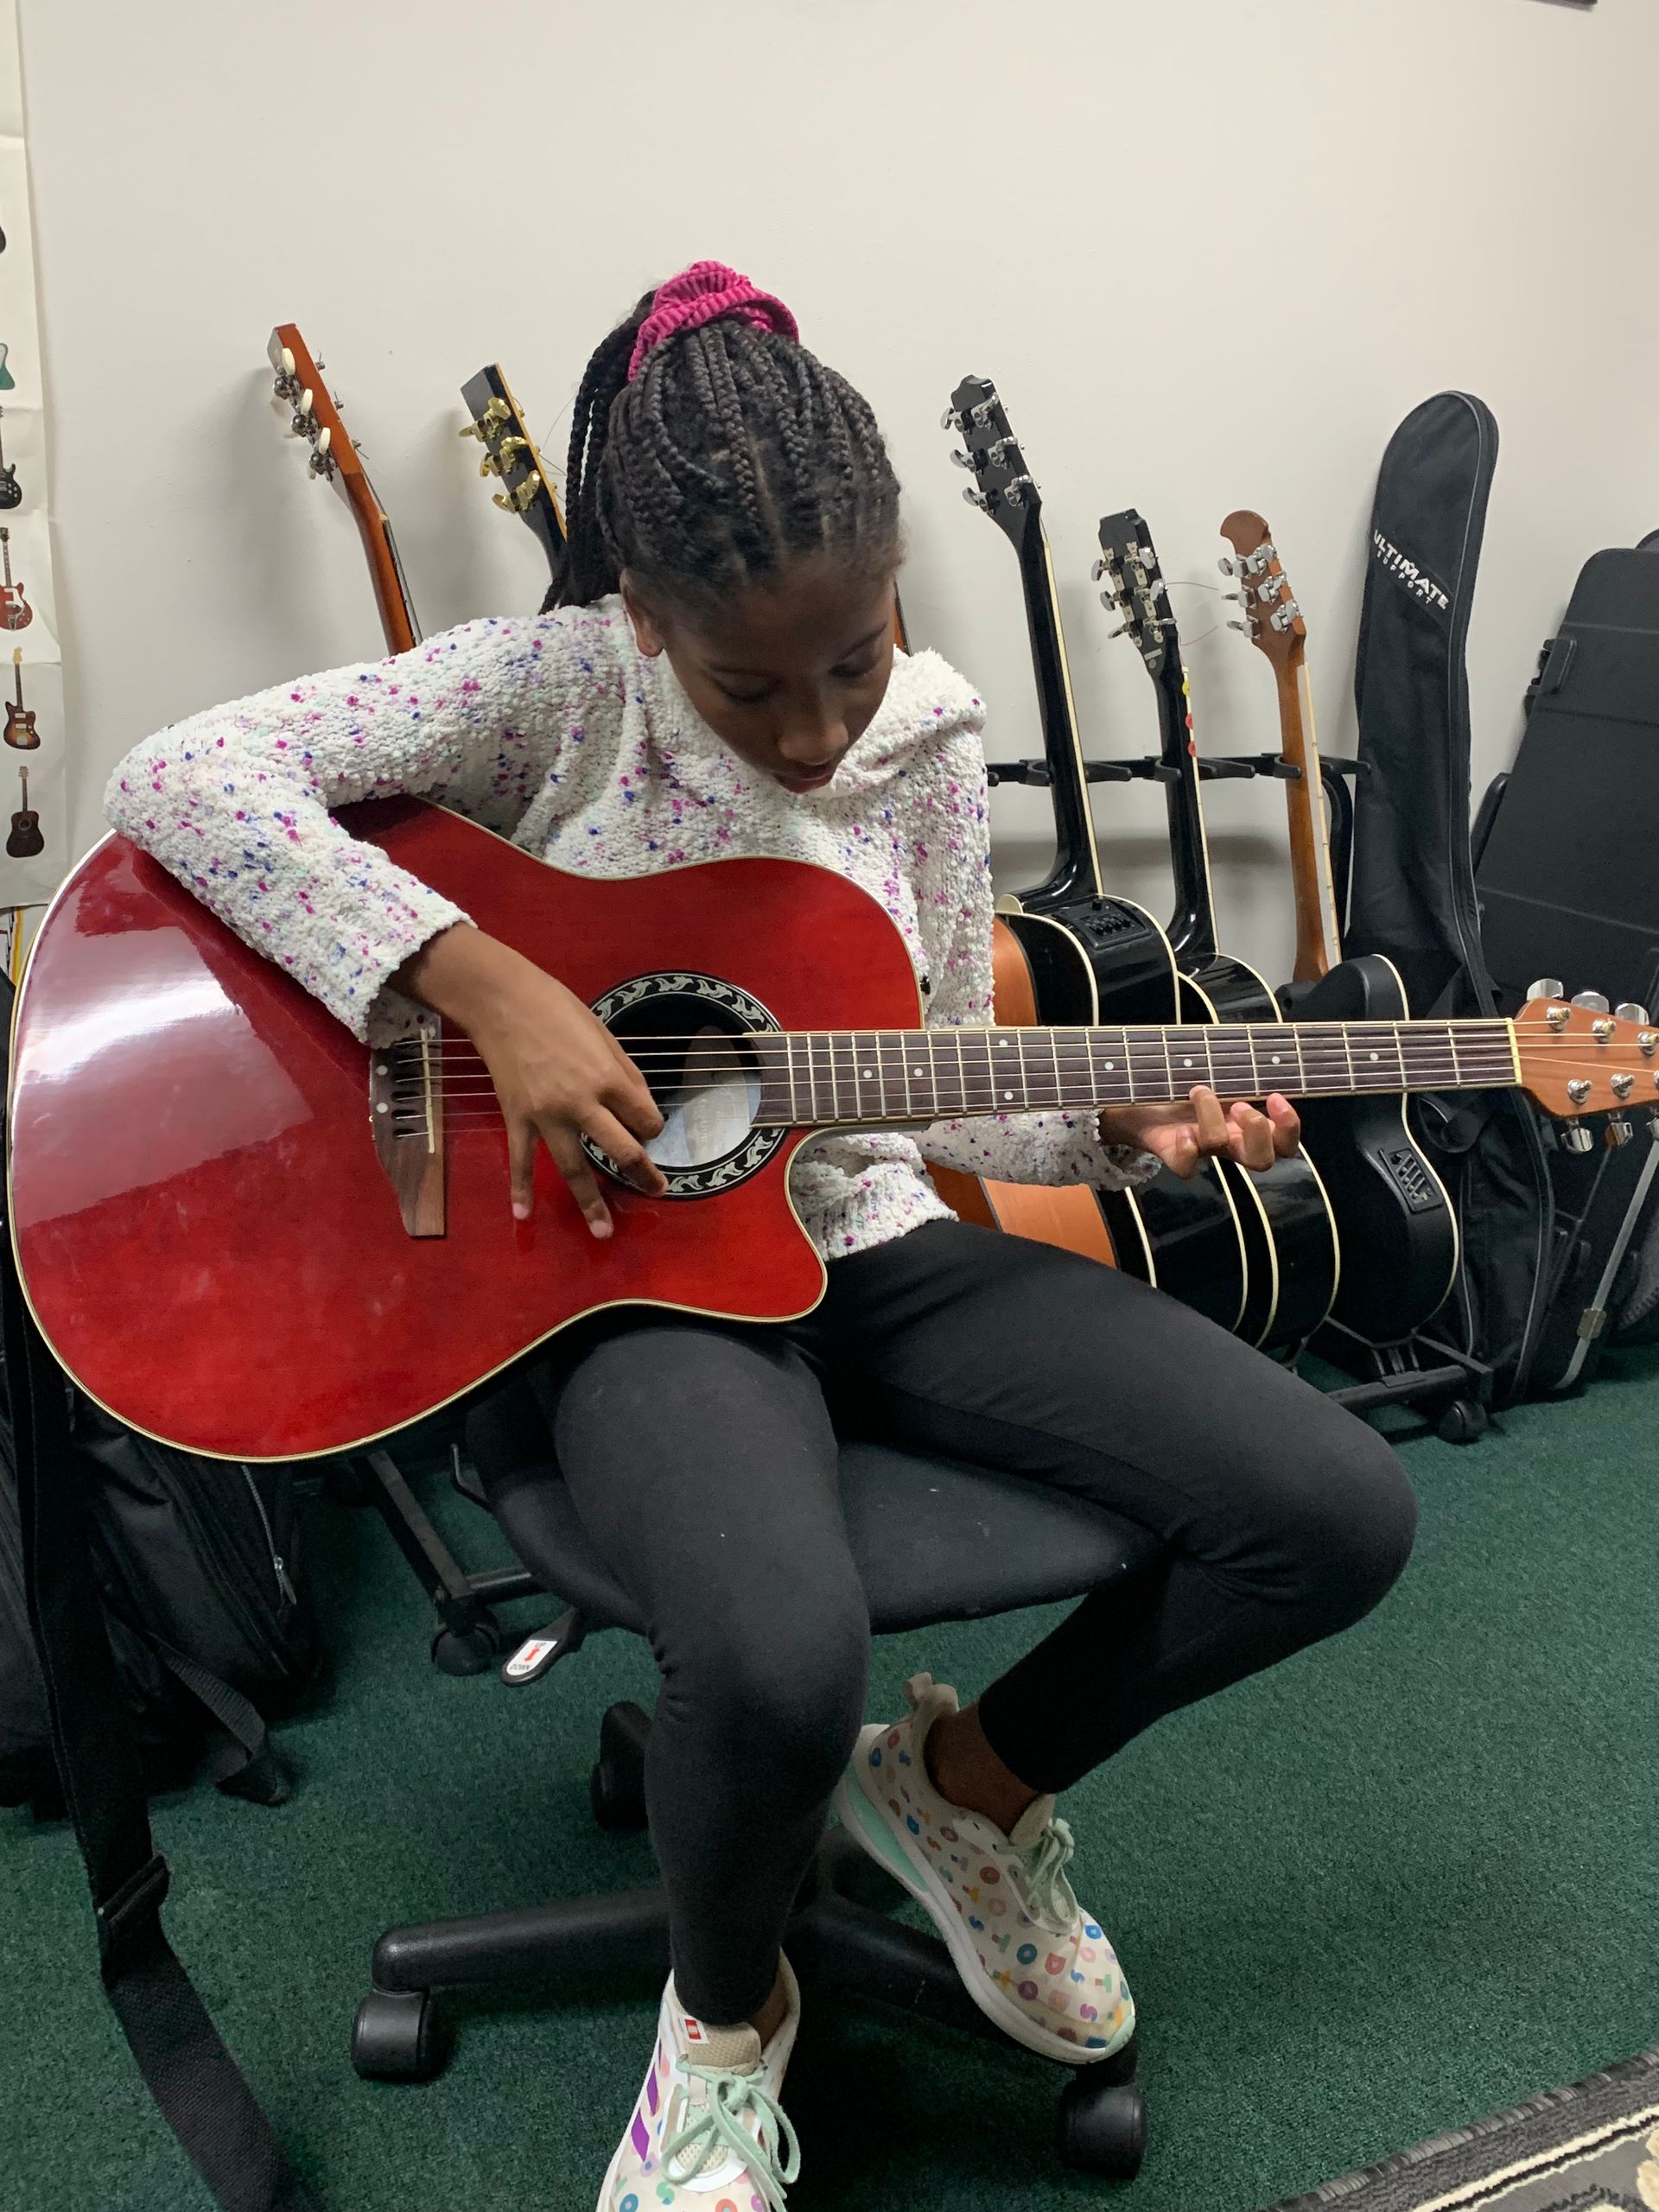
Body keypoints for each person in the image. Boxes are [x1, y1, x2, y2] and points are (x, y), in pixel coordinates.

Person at [108, 261, 1417, 2211]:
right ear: (645, 616)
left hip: (860, 1234)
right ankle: (724, 2029)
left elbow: (939, 1073)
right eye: (752, 686)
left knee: (1334, 1508)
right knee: (778, 1647)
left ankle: (966, 1797)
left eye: (856, 662)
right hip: (618, 1279)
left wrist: (1115, 1118)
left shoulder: (933, 737)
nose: (815, 732)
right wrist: (475, 978)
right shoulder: (547, 684)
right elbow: (175, 778)